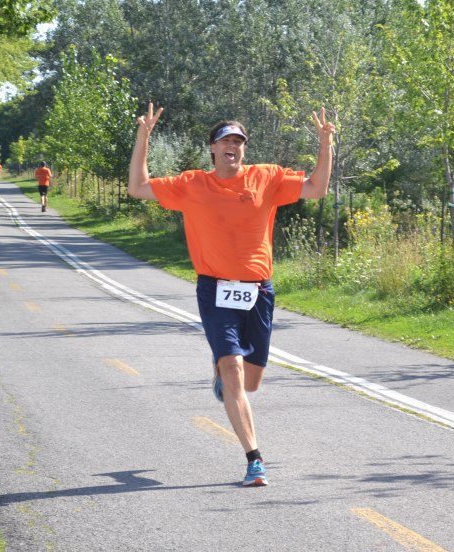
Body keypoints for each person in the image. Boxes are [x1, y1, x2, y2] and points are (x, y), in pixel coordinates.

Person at [128, 103, 335, 487]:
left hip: (258, 291)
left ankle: (223, 370)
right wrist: (143, 137)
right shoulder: (192, 184)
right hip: (215, 288)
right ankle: (254, 459)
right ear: (212, 148)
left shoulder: (266, 177)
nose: (233, 146)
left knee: (250, 383)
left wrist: (325, 144)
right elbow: (137, 187)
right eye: (226, 141)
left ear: (244, 148)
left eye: (239, 141)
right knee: (233, 370)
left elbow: (316, 188)